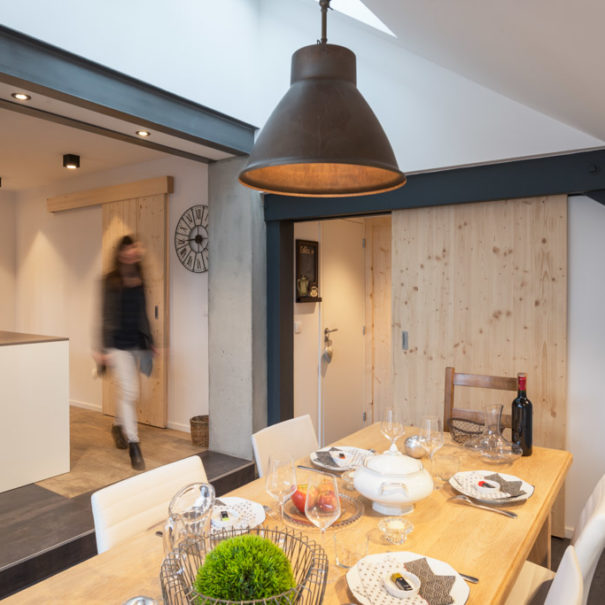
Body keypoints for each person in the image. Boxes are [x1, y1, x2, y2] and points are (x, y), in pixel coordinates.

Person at [94, 235, 154, 470]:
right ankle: (134, 445)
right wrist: (101, 348)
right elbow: (104, 315)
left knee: (128, 392)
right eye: (127, 249)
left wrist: (151, 342)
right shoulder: (109, 280)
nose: (132, 252)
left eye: (134, 248)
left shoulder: (140, 279)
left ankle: (118, 425)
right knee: (130, 391)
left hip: (137, 343)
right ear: (120, 253)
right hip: (117, 345)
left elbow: (143, 313)